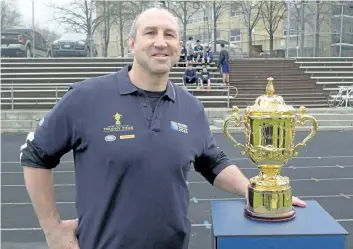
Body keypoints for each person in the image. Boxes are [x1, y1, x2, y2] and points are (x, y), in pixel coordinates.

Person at [19, 7, 306, 249]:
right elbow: (35, 155)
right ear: (132, 43)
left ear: (180, 48)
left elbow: (212, 161)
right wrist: (52, 228)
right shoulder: (86, 98)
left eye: (169, 35)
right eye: (150, 33)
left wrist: (255, 191)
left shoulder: (191, 107)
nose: (160, 42)